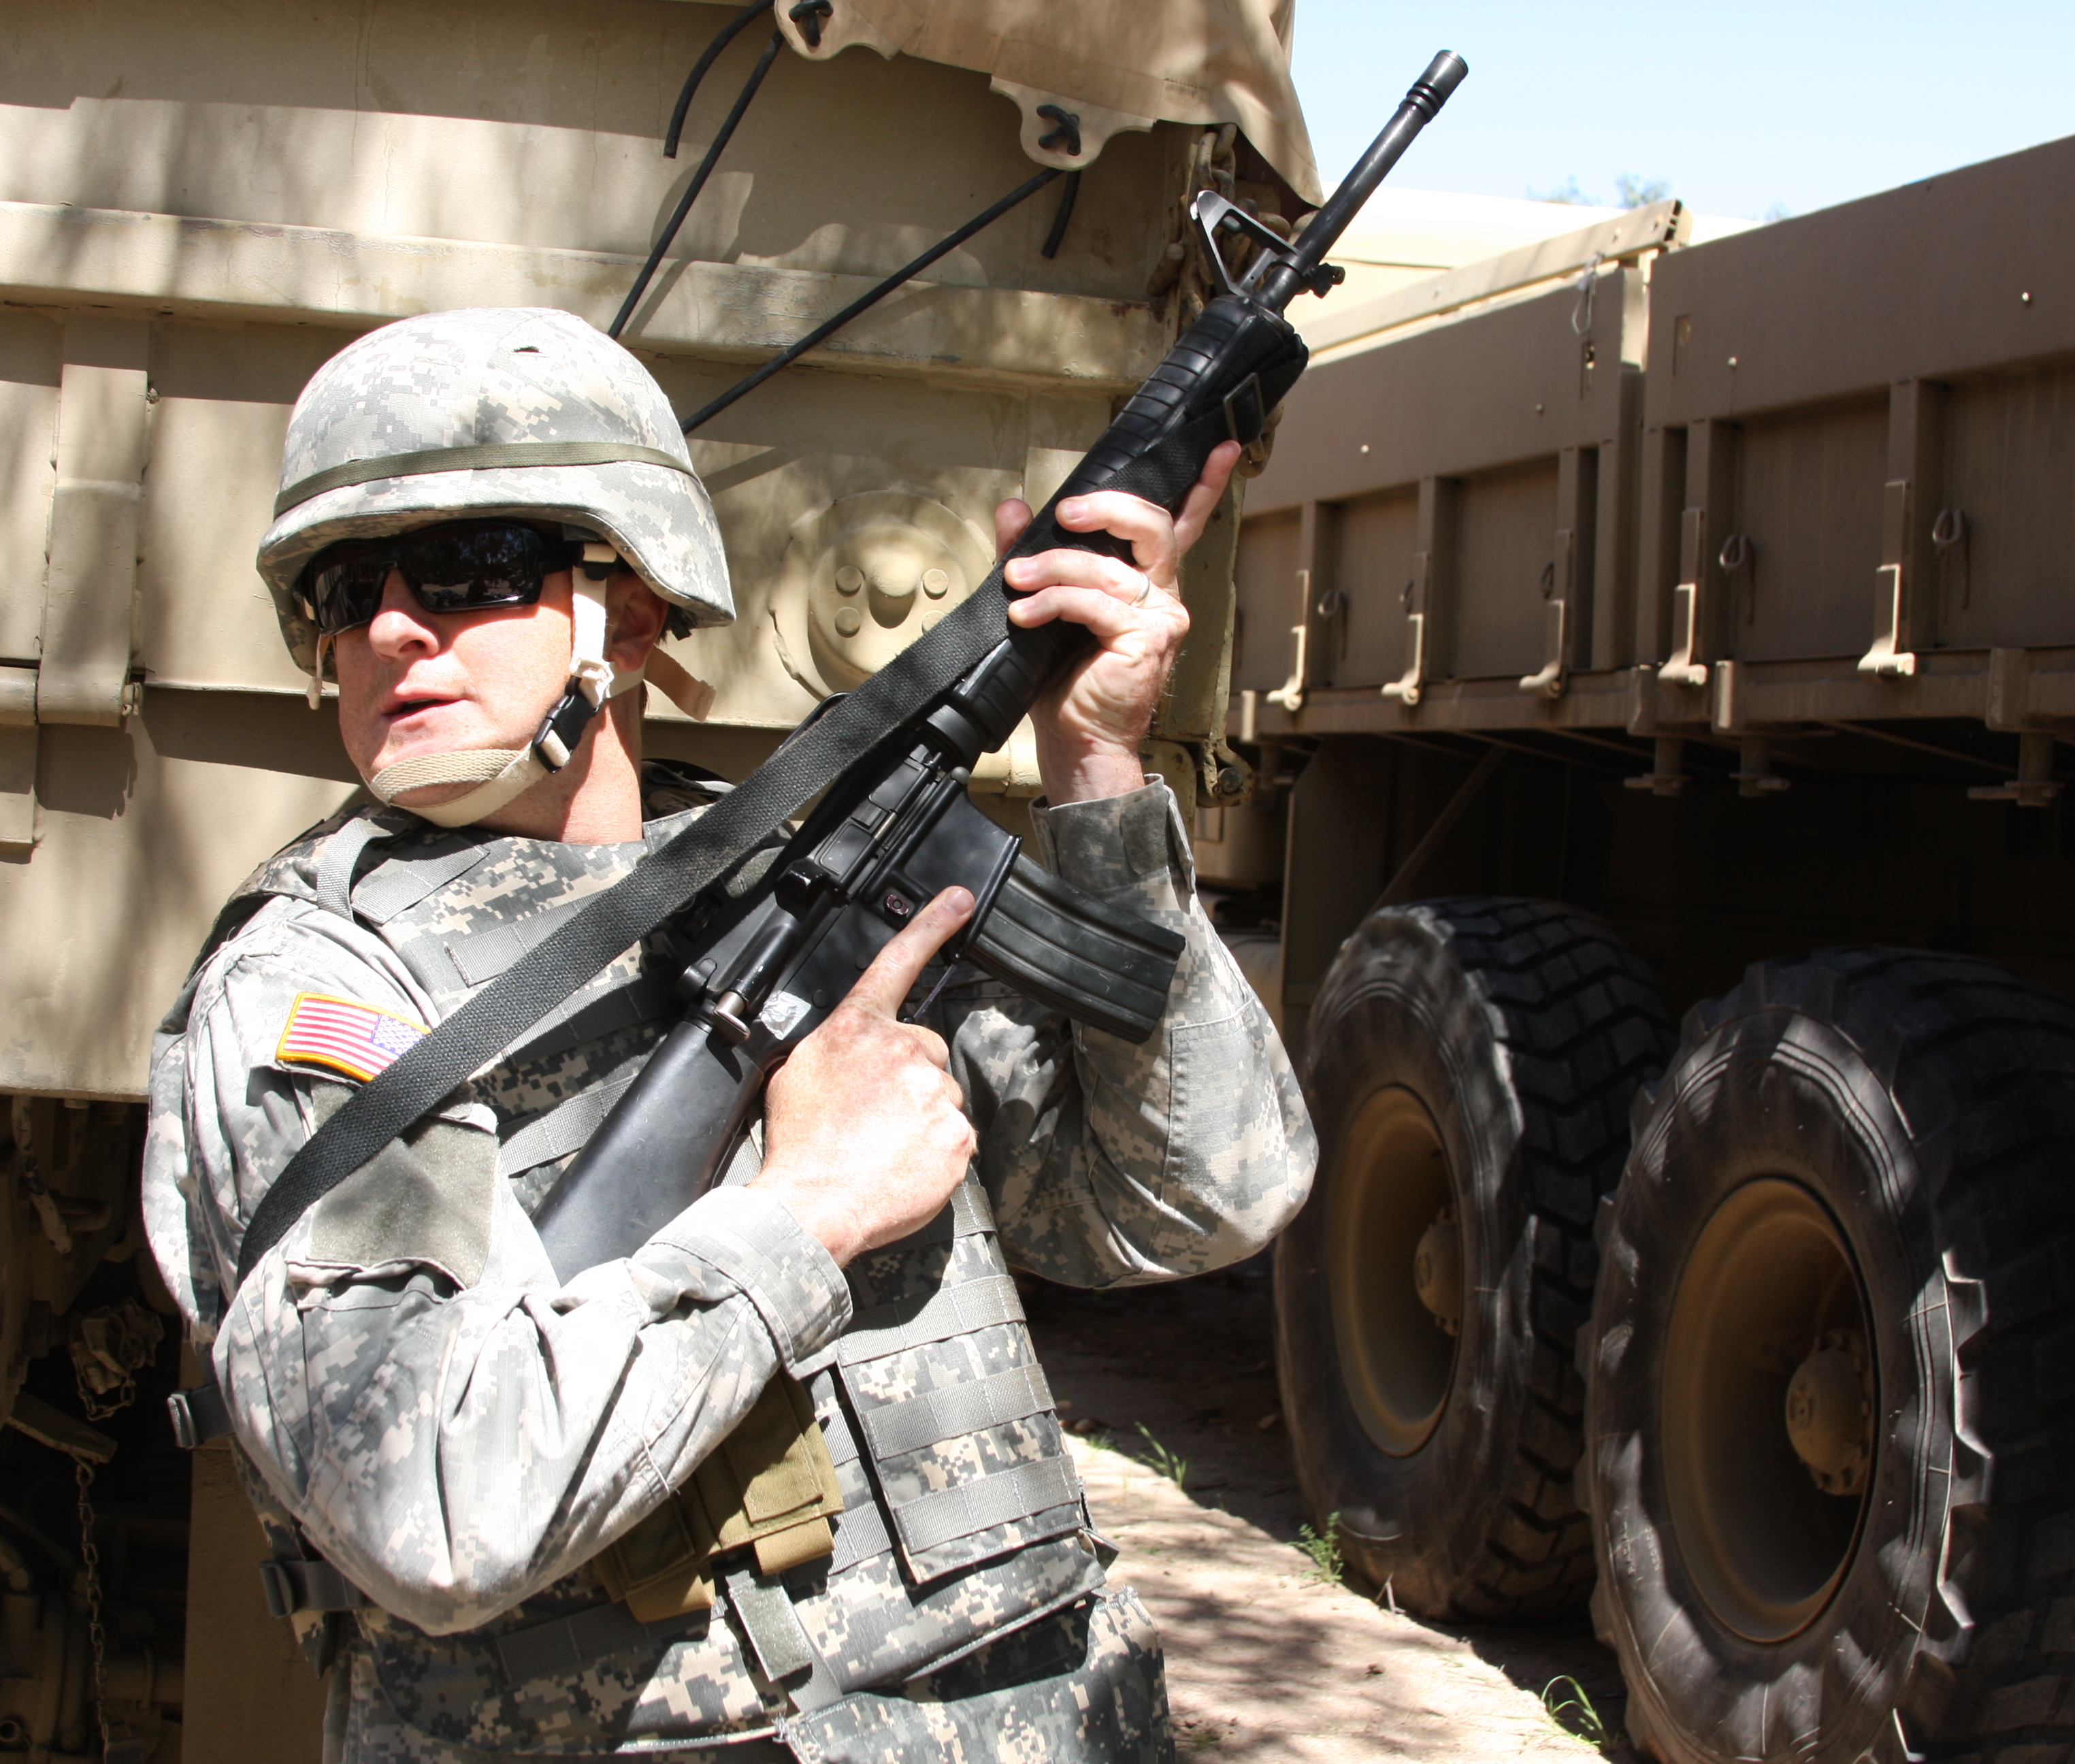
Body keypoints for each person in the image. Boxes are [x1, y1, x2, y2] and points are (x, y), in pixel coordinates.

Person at [142, 307, 1316, 1763]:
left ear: (626, 608)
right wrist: (801, 1212)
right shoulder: (317, 986)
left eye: (466, 571)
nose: (391, 626)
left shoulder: (797, 870)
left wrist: (1095, 772)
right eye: (344, 588)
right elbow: (437, 1508)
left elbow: (1203, 1201)